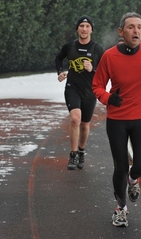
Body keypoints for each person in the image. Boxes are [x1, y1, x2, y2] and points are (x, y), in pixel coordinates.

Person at [92, 12, 141, 227]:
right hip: (117, 120)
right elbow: (97, 86)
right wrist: (109, 98)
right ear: (121, 32)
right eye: (131, 27)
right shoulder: (110, 56)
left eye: (139, 27)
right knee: (120, 167)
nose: (136, 31)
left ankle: (134, 179)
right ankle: (120, 208)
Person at [55, 16, 104, 170]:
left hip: (90, 91)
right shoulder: (69, 47)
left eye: (87, 26)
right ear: (77, 28)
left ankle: (82, 151)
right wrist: (60, 72)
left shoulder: (97, 49)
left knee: (84, 124)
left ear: (91, 30)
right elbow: (58, 58)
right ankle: (73, 154)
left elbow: (104, 72)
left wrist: (92, 69)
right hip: (72, 88)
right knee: (75, 119)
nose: (84, 29)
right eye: (81, 26)